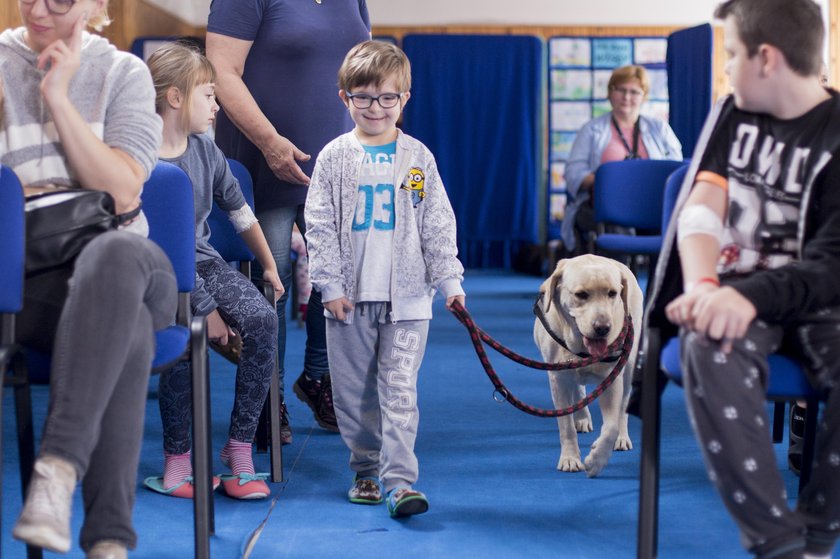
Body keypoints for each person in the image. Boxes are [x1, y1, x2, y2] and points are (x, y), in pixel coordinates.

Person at [656, 0, 840, 557]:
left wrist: (744, 296)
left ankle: (818, 529)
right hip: (733, 293)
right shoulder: (732, 111)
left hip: (820, 301)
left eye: (731, 54)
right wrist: (705, 287)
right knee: (706, 344)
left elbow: (832, 268)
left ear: (766, 58)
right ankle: (778, 543)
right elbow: (702, 204)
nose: (726, 68)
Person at [1, 1, 177, 557]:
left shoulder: (124, 72)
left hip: (129, 263)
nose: (38, 8)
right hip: (28, 278)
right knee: (121, 334)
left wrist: (58, 95)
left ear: (97, 5)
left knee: (116, 256)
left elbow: (123, 190)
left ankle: (56, 471)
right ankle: (109, 543)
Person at [305, 40, 466, 518]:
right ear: (344, 97)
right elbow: (319, 225)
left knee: (399, 392)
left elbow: (432, 220)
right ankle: (365, 469)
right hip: (349, 302)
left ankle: (400, 482)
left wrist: (449, 281)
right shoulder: (333, 158)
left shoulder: (415, 161)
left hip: (408, 302)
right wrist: (329, 286)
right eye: (364, 97)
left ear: (404, 98)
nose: (375, 108)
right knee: (353, 394)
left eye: (387, 98)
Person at [206, 0, 371, 438]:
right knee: (272, 275)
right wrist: (269, 142)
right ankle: (266, 392)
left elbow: (361, 71)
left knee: (336, 272)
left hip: (336, 162)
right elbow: (221, 71)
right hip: (264, 155)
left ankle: (318, 378)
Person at [144, 42, 284, 500]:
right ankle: (177, 461)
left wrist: (267, 264)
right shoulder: (139, 158)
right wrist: (207, 311)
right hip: (157, 273)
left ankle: (238, 451)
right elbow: (165, 247)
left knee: (263, 318)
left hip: (202, 260)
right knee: (187, 339)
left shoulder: (206, 149)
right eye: (208, 94)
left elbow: (239, 212)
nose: (216, 105)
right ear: (175, 98)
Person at [561, 64, 683, 255]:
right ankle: (619, 283)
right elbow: (573, 174)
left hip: (651, 205)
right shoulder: (591, 130)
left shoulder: (659, 128)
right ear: (610, 93)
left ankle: (658, 284)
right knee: (617, 224)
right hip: (602, 207)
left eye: (634, 91)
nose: (627, 97)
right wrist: (613, 181)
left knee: (671, 224)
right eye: (621, 90)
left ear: (644, 96)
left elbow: (677, 170)